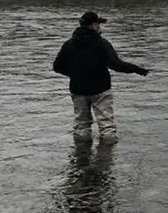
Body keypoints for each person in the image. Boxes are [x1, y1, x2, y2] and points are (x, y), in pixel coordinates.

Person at [53, 11, 149, 144]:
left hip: (78, 90)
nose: (100, 28)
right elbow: (116, 65)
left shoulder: (69, 44)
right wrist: (137, 69)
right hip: (100, 90)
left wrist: (75, 74)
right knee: (106, 127)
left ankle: (81, 158)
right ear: (92, 25)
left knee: (81, 127)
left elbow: (57, 67)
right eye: (98, 25)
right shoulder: (101, 43)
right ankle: (106, 161)